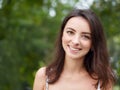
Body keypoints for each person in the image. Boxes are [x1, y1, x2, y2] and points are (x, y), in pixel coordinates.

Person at [33, 8, 116, 90]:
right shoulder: (43, 76)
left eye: (85, 36)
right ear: (62, 35)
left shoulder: (103, 81)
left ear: (93, 43)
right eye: (70, 32)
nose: (76, 41)